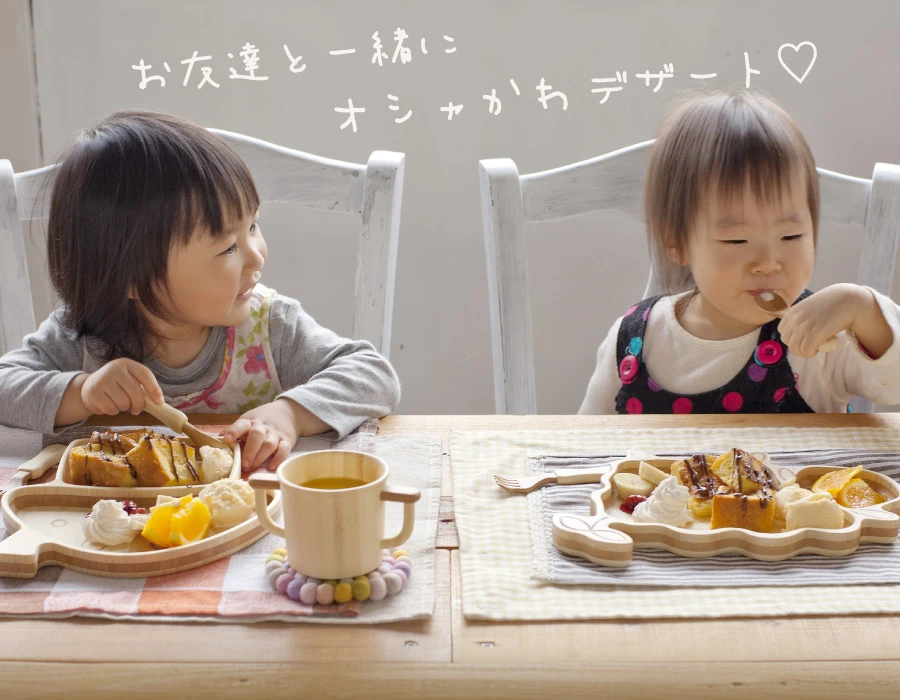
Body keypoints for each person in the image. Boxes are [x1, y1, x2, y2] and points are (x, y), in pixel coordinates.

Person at [0, 110, 401, 469]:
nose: (257, 256)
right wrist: (82, 392)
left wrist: (290, 414)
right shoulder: (85, 338)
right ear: (134, 280)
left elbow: (373, 375)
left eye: (254, 227)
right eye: (228, 246)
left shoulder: (268, 327)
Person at [579, 88, 900, 415]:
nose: (768, 263)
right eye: (736, 241)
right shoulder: (633, 341)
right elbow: (585, 444)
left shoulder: (820, 340)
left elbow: (895, 383)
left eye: (790, 236)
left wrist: (861, 307)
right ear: (676, 242)